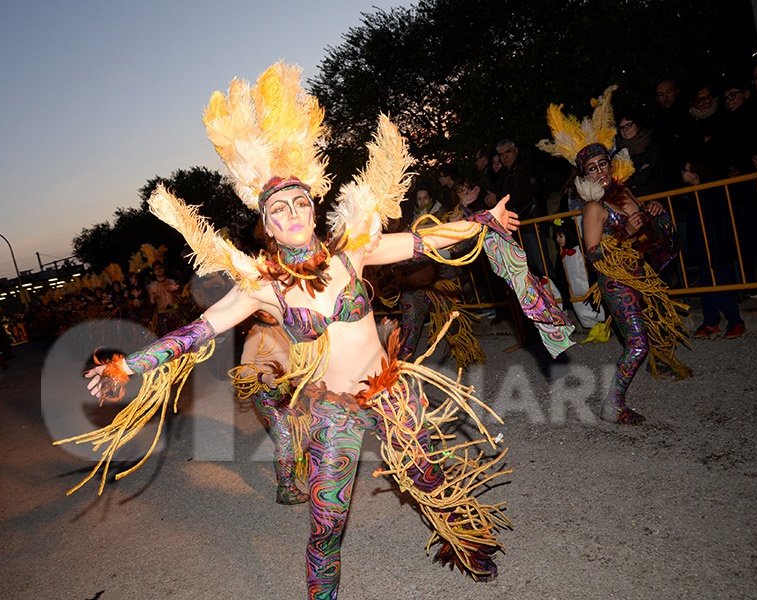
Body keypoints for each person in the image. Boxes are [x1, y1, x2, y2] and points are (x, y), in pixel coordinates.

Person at [63, 63, 573, 598]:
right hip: (332, 409)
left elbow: (428, 242)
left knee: (431, 481)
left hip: (391, 391)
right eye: (278, 208)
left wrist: (482, 221)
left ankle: (463, 541)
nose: (292, 213)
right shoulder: (262, 285)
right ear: (266, 223)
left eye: (300, 202)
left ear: (314, 206)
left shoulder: (353, 253)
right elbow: (199, 330)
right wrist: (129, 364)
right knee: (327, 526)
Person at [539, 85, 690, 426]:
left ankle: (660, 363)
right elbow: (594, 255)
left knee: (651, 329)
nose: (600, 171)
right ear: (584, 175)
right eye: (592, 168)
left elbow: (648, 236)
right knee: (636, 344)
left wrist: (651, 213)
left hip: (640, 274)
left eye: (603, 164)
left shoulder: (625, 194)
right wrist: (629, 232)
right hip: (615, 282)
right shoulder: (593, 207)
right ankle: (613, 404)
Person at [229, 310, 308, 504]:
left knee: (301, 430)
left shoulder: (285, 327)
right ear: (254, 312)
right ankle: (286, 490)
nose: (268, 313)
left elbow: (296, 353)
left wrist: (299, 373)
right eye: (262, 310)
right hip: (266, 392)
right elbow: (243, 368)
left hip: (289, 389)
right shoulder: (255, 334)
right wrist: (263, 377)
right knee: (285, 438)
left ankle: (302, 469)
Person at [681, 159, 746, 340]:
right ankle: (711, 321)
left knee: (719, 286)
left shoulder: (709, 193)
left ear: (695, 174)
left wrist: (715, 252)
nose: (682, 173)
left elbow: (715, 226)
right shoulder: (693, 193)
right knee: (706, 287)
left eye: (685, 170)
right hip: (705, 249)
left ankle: (736, 321)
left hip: (715, 249)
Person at [495, 138, 550, 277]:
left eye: (507, 152)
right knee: (531, 271)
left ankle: (559, 297)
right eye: (501, 154)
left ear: (516, 151)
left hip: (532, 225)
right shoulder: (503, 174)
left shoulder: (527, 167)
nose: (504, 156)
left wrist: (500, 199)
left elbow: (528, 192)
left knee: (543, 268)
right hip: (517, 230)